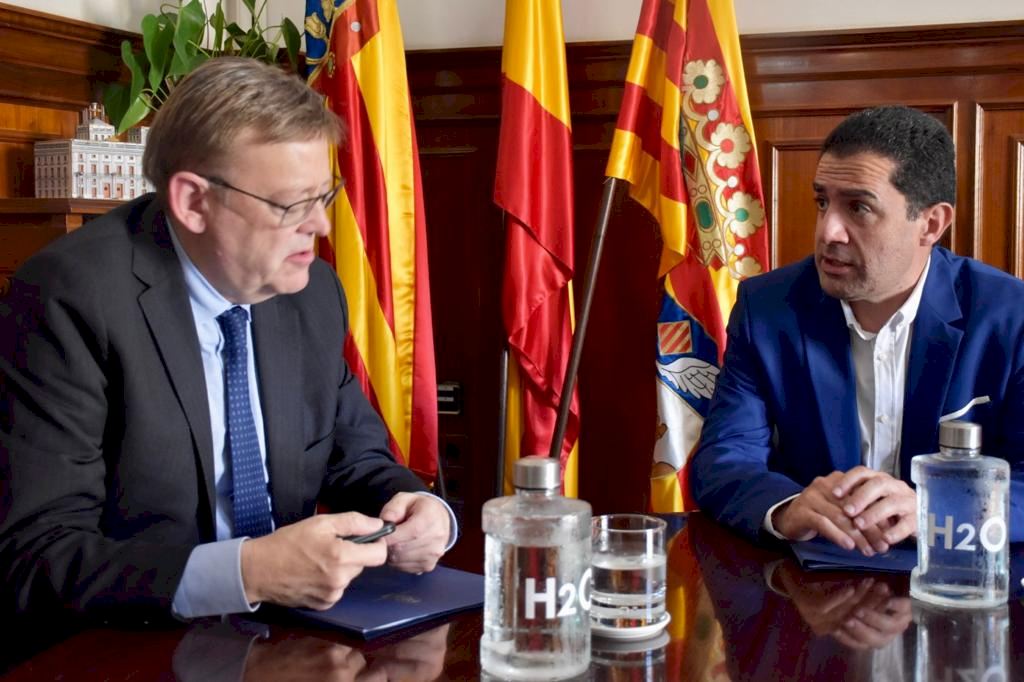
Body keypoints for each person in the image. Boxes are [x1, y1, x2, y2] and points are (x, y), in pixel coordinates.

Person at [0, 57, 454, 621]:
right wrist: (247, 573)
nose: (320, 226)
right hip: (132, 638)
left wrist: (418, 508)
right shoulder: (68, 299)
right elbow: (37, 555)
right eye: (292, 204)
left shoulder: (310, 291)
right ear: (194, 202)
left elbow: (353, 456)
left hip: (294, 629)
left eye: (324, 197)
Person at [691, 105, 1024, 554]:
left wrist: (935, 508)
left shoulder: (1009, 315)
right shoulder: (767, 309)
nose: (829, 231)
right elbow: (724, 458)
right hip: (813, 576)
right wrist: (787, 507)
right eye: (822, 202)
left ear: (930, 224)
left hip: (960, 575)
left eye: (859, 207)